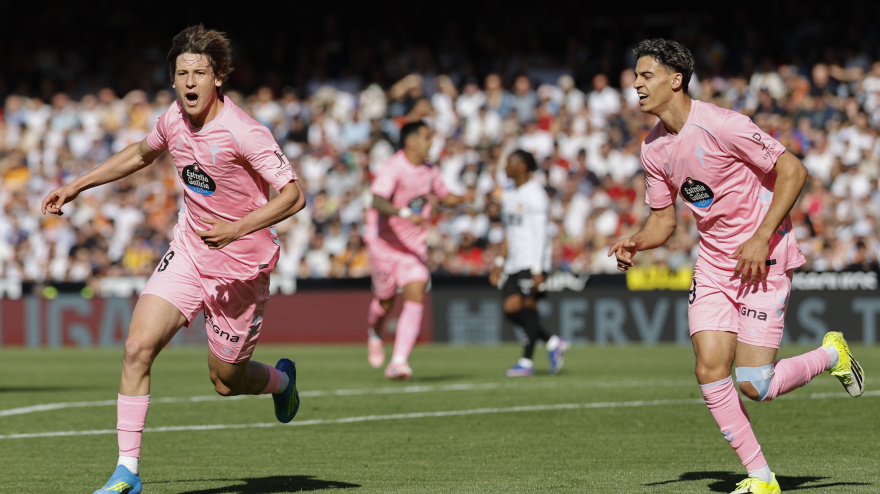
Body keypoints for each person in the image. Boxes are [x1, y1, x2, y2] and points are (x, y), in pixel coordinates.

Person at [41, 25, 305, 494]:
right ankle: (127, 471)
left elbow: (294, 195)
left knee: (225, 381)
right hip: (188, 251)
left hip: (241, 267)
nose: (189, 82)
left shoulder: (245, 132)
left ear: (218, 77)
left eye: (199, 73)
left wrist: (237, 227)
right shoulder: (173, 120)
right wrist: (77, 185)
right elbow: (141, 154)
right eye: (181, 73)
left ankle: (282, 382)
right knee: (137, 348)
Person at [608, 39, 864, 494]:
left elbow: (794, 171)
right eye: (636, 76)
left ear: (676, 79)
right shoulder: (652, 149)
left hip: (762, 259)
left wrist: (762, 235)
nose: (636, 84)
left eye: (646, 75)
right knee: (709, 368)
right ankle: (761, 477)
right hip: (713, 263)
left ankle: (832, 354)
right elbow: (663, 220)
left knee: (754, 384)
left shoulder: (722, 124)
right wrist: (637, 241)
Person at [364, 119, 470, 380]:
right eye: (426, 137)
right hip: (384, 246)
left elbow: (444, 197)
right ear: (411, 142)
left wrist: (465, 197)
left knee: (416, 292)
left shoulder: (430, 171)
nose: (431, 142)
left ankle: (399, 362)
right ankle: (375, 332)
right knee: (385, 301)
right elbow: (377, 200)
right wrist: (403, 213)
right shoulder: (393, 168)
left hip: (413, 248)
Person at [489, 149, 569, 377]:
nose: (506, 167)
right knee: (510, 310)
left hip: (533, 261)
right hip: (514, 261)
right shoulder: (509, 195)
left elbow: (541, 233)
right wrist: (499, 261)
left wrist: (537, 268)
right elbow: (509, 232)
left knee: (528, 308)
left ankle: (526, 362)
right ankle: (553, 341)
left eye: (511, 162)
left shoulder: (535, 194)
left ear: (523, 166)